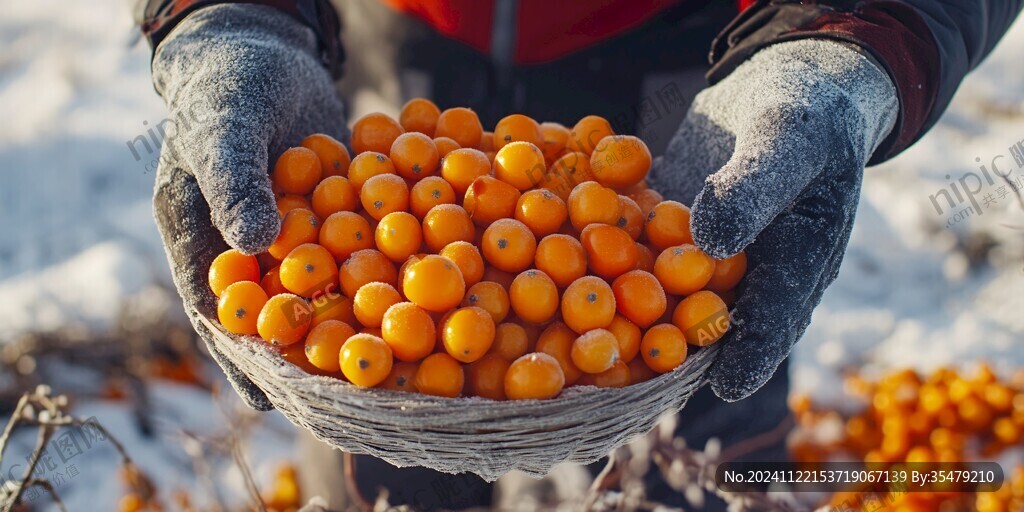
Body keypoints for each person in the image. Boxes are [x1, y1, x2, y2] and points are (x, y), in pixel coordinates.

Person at [140, 0, 1023, 508]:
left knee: (707, 406)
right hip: (386, 48)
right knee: (388, 455)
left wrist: (848, 40)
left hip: (707, 69)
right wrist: (229, 18)